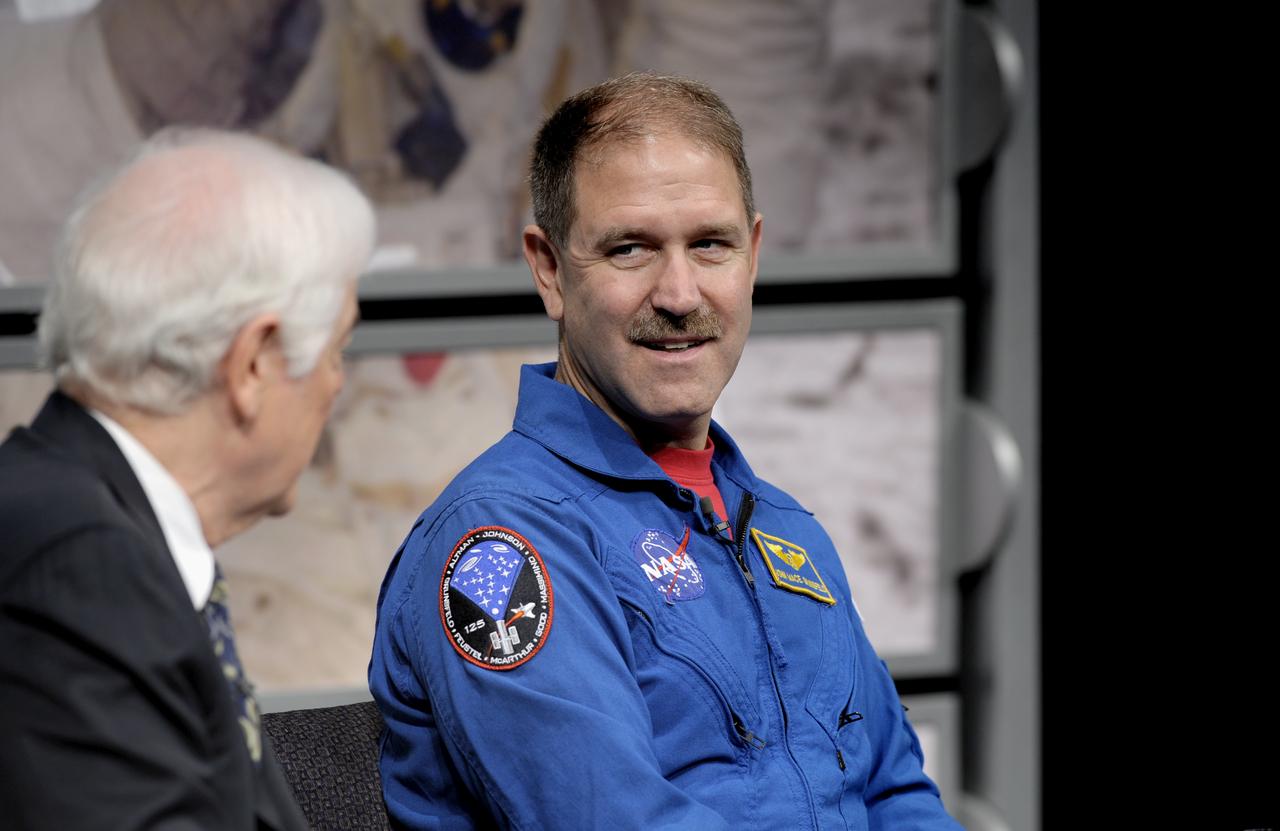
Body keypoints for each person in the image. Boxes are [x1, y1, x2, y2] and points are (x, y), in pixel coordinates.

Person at [369, 72, 962, 829]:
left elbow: (897, 795)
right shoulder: (501, 547)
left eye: (709, 244)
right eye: (631, 249)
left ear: (752, 253)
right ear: (549, 269)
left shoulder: (785, 530)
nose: (680, 293)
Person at [0, 127, 375, 829]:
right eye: (337, 349)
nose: (336, 384)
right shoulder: (79, 564)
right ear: (254, 364)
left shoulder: (85, 522)